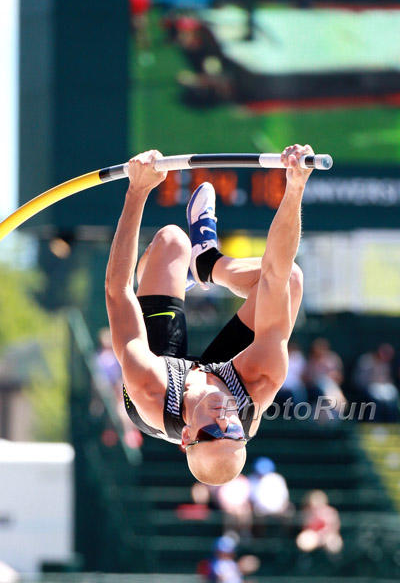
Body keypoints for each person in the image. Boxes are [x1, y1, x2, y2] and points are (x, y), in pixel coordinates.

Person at [105, 144, 313, 485]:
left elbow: (118, 290)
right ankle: (208, 263)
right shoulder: (259, 382)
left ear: (187, 436)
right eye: (233, 432)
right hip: (224, 372)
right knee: (290, 280)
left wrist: (137, 190)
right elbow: (275, 274)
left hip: (167, 372)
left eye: (213, 433)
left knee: (172, 241)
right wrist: (295, 186)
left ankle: (192, 260)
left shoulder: (150, 387)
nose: (224, 421)